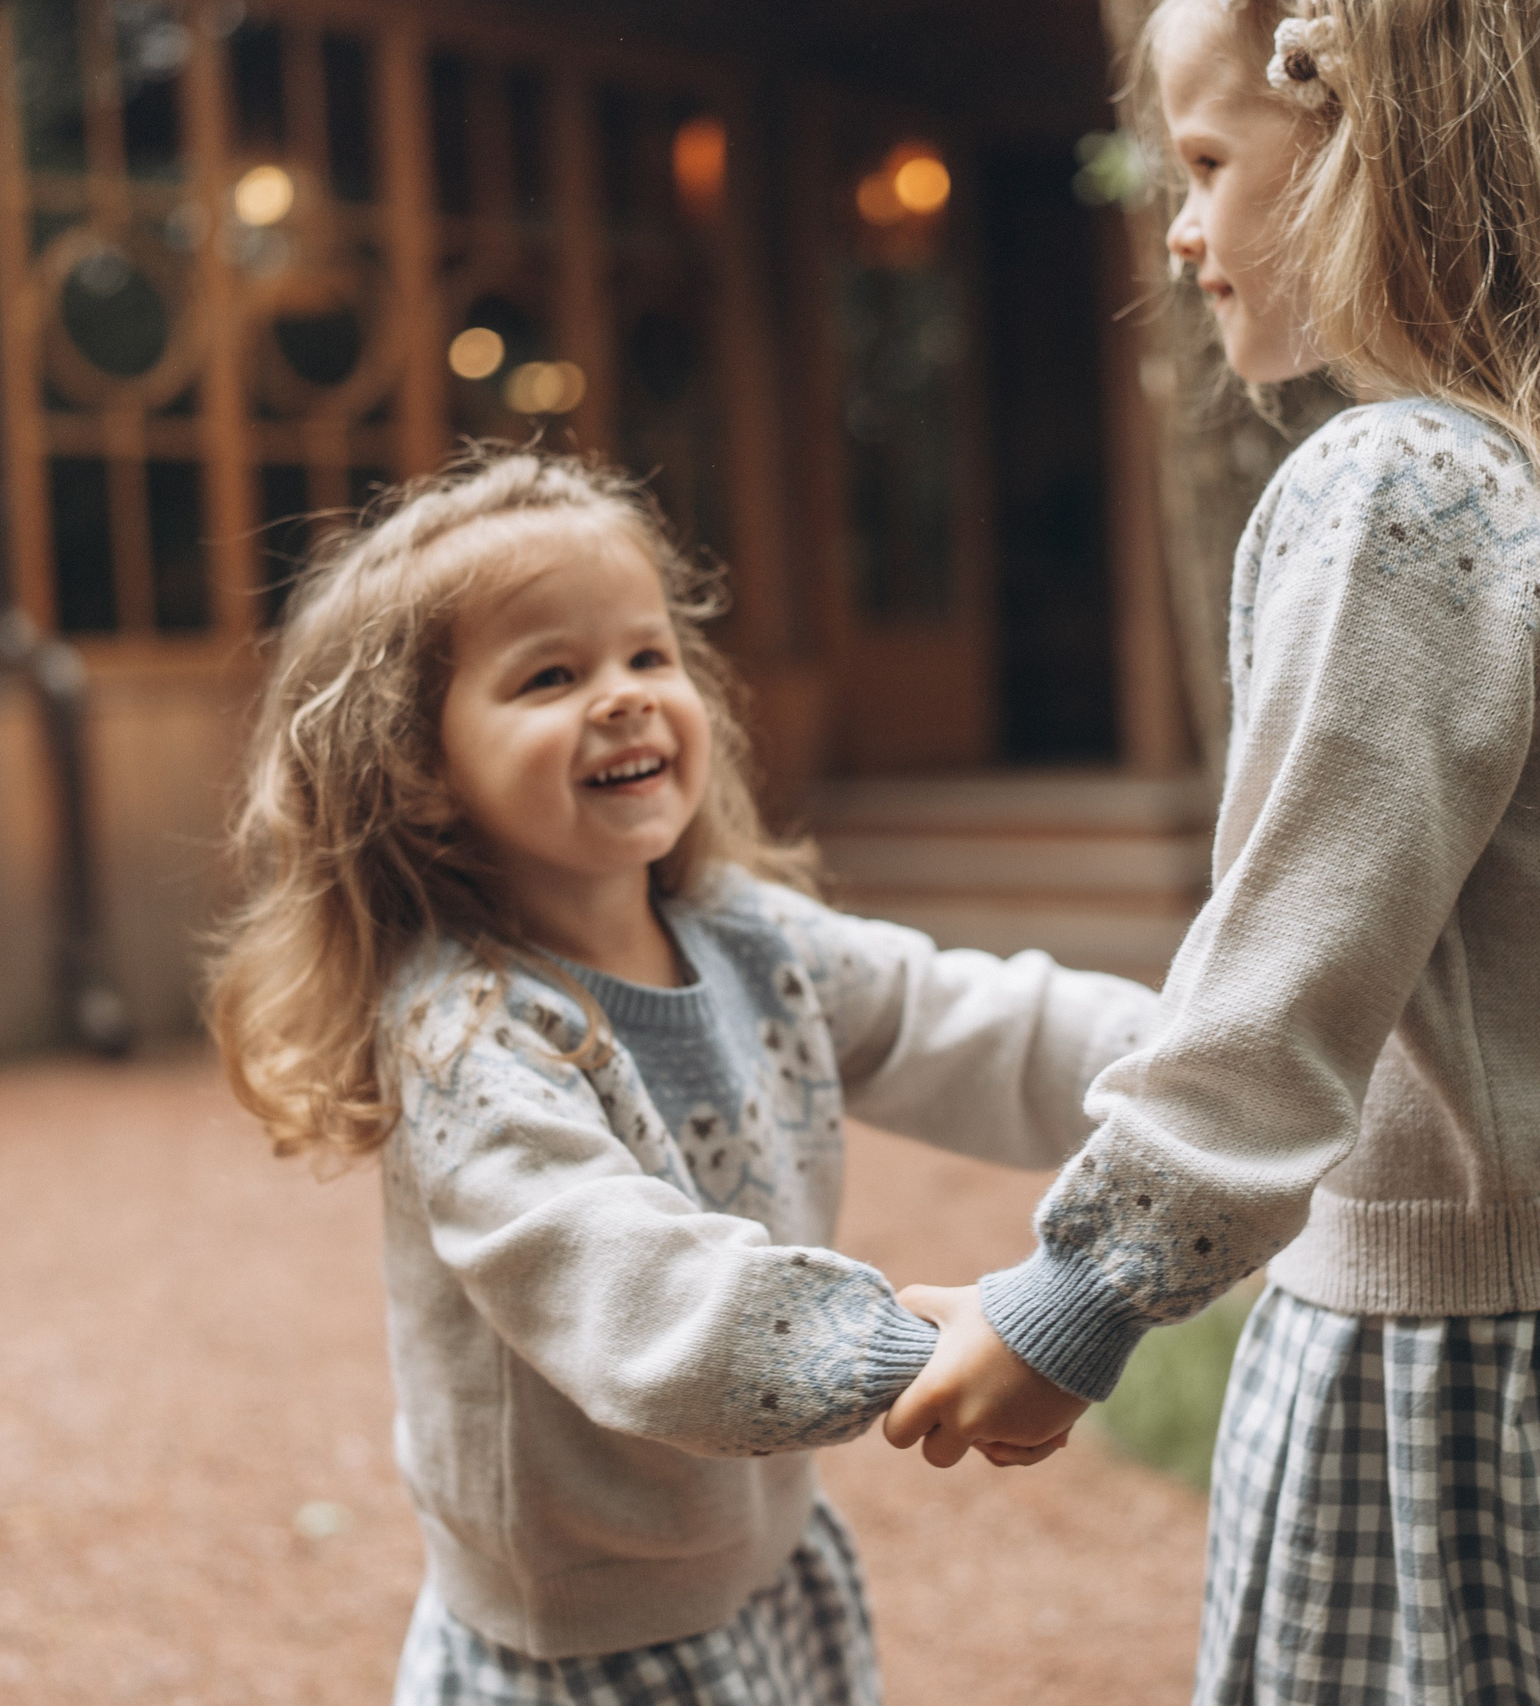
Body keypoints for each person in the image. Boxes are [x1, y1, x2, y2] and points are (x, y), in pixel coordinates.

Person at [884, 1, 1540, 1701]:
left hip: (1464, 1405)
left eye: (1209, 162)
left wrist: (1073, 1301)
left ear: (1360, 154)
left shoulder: (1400, 495)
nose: (1178, 225)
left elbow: (1287, 980)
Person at [206, 448, 1157, 1706]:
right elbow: (631, 1288)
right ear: (418, 765)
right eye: (550, 674)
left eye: (647, 655)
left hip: (761, 1555)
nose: (622, 697)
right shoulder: (467, 1037)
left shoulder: (744, 934)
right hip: (590, 1637)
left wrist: (1210, 1056)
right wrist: (919, 1347)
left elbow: (970, 1021)